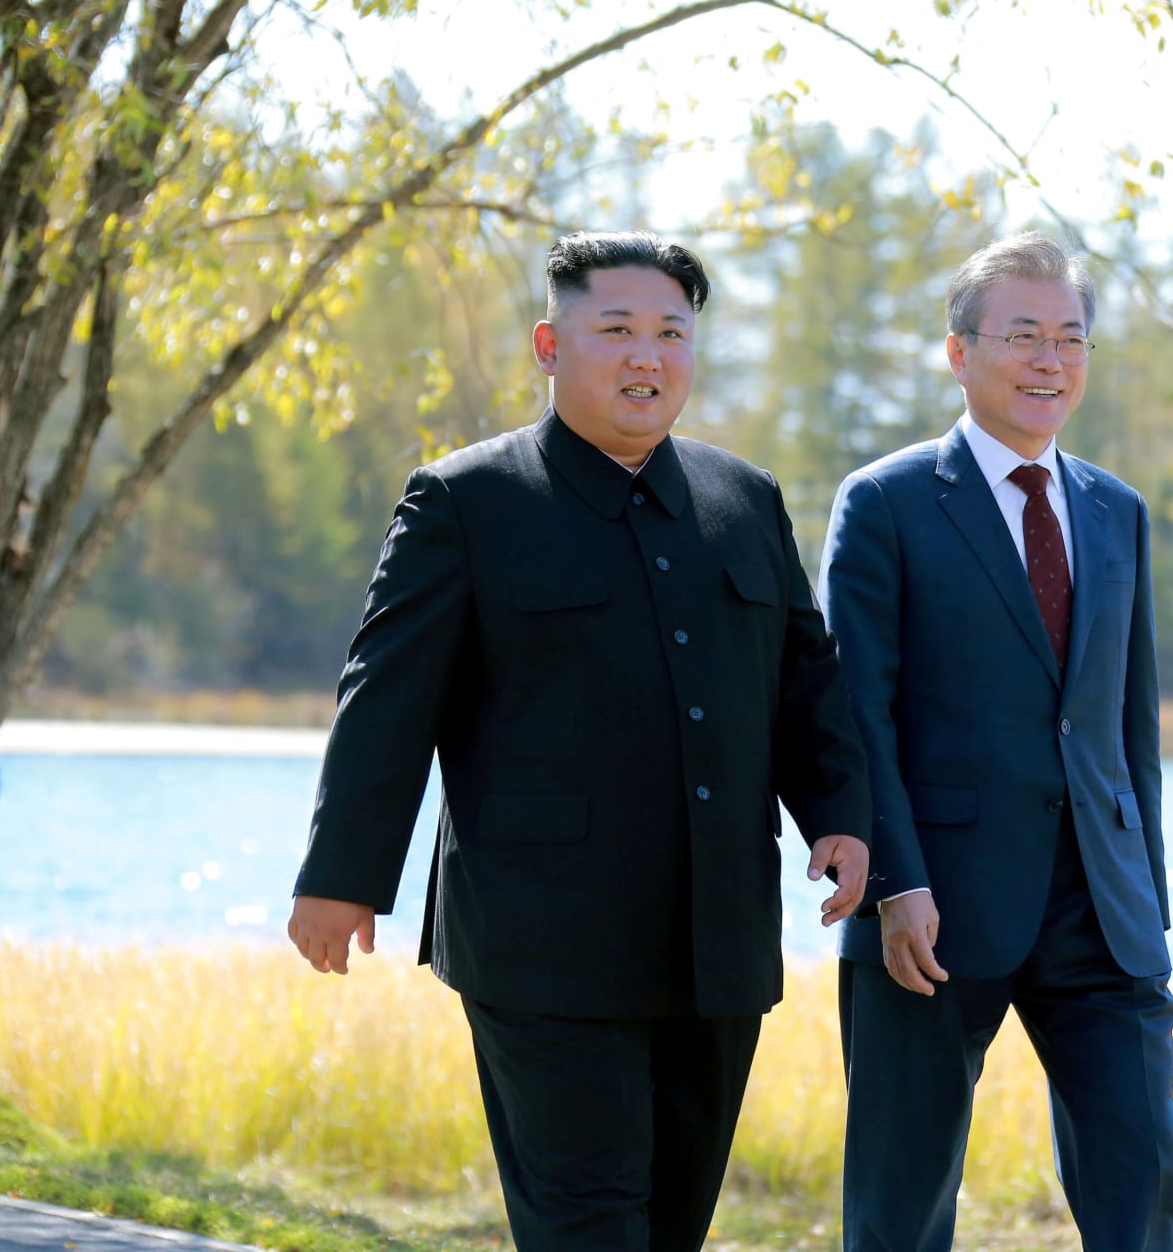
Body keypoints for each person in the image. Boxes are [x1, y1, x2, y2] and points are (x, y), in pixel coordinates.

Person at [287, 230, 871, 1252]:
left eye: (671, 333)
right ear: (551, 345)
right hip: (542, 945)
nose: (647, 357)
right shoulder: (466, 501)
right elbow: (385, 700)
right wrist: (343, 873)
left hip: (717, 942)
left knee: (670, 1225)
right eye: (617, 331)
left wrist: (840, 817)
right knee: (589, 1226)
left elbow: (806, 683)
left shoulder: (747, 501)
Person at [821, 232, 1173, 1252]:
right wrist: (896, 880)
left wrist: (1145, 895)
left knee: (1141, 1170)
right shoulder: (885, 501)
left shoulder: (1118, 511)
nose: (1049, 361)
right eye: (1023, 335)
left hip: (1102, 912)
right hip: (928, 909)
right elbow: (858, 713)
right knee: (902, 1198)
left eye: (1070, 338)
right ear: (959, 351)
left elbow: (1128, 724)